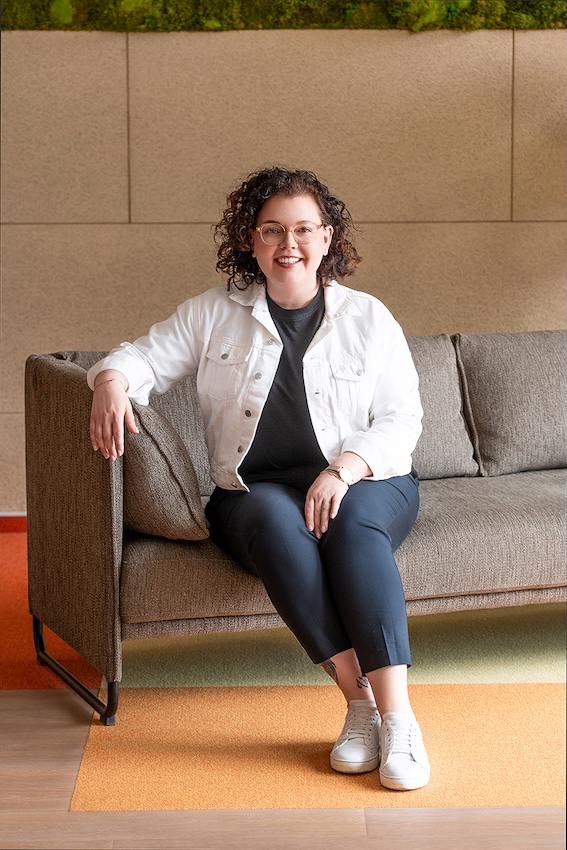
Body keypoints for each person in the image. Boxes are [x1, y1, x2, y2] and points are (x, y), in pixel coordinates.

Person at [88, 166, 430, 792]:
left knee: (354, 526)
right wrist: (111, 381)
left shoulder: (369, 318)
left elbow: (401, 420)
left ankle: (400, 719)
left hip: (368, 479)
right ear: (251, 240)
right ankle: (361, 705)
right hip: (255, 491)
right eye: (272, 230)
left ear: (327, 238)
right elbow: (140, 358)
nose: (287, 244)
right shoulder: (213, 313)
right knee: (276, 522)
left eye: (303, 229)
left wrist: (342, 470)